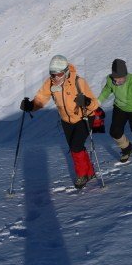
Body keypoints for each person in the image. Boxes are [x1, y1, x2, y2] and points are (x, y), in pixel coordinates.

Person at [20, 55, 99, 189]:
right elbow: (41, 99)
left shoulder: (79, 82)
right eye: (52, 74)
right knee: (77, 147)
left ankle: (81, 175)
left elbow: (94, 104)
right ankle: (89, 172)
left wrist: (86, 102)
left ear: (66, 71)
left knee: (75, 147)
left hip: (84, 117)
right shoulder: (50, 83)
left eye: (59, 74)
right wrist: (30, 106)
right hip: (66, 121)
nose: (55, 78)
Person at [97, 59, 132, 162]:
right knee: (115, 132)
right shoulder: (110, 79)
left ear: (125, 75)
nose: (117, 81)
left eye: (120, 79)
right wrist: (99, 101)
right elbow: (107, 89)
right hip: (119, 108)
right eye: (115, 79)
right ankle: (127, 149)